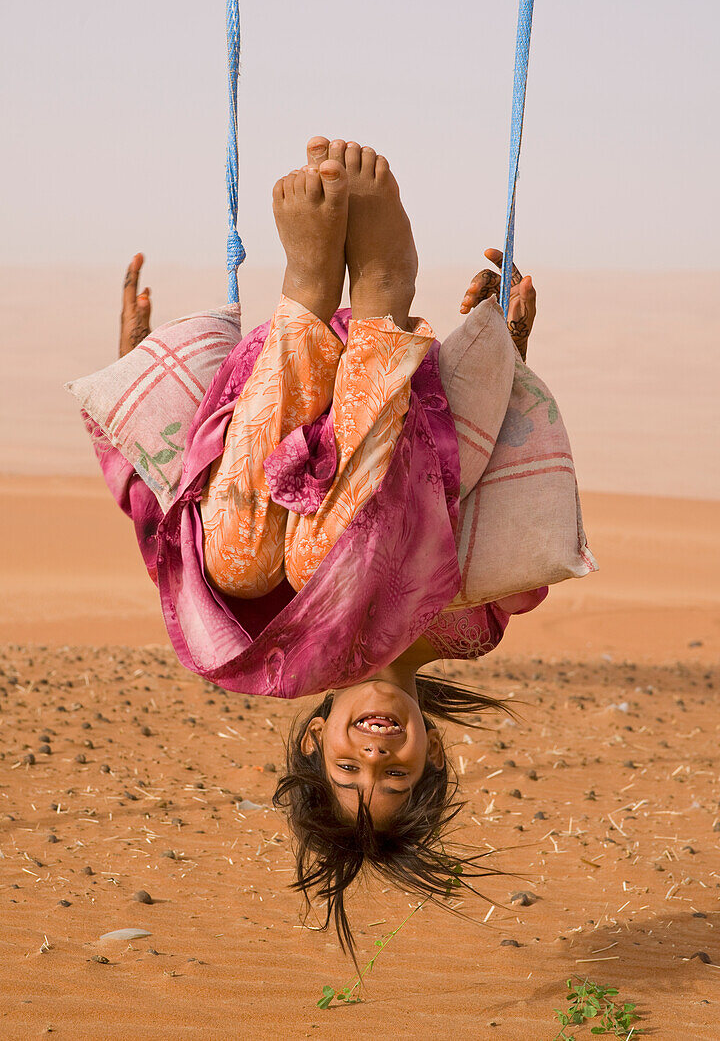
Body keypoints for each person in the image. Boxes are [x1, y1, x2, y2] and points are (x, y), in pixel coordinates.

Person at [116, 137, 544, 956]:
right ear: (433, 753)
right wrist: (508, 355)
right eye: (397, 775)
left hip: (277, 424)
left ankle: (307, 293)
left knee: (235, 566)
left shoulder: (263, 654)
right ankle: (384, 284)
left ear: (314, 741)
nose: (373, 756)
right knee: (330, 568)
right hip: (400, 410)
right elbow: (510, 495)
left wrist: (140, 367)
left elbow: (161, 522)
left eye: (349, 772)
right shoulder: (470, 629)